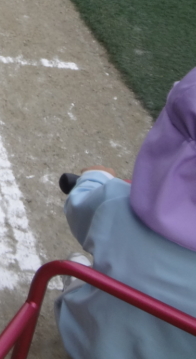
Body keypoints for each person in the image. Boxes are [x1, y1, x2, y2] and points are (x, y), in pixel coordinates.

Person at [55, 66, 196, 358]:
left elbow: (78, 206)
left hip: (90, 348)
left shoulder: (114, 203)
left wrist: (95, 177)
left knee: (86, 273)